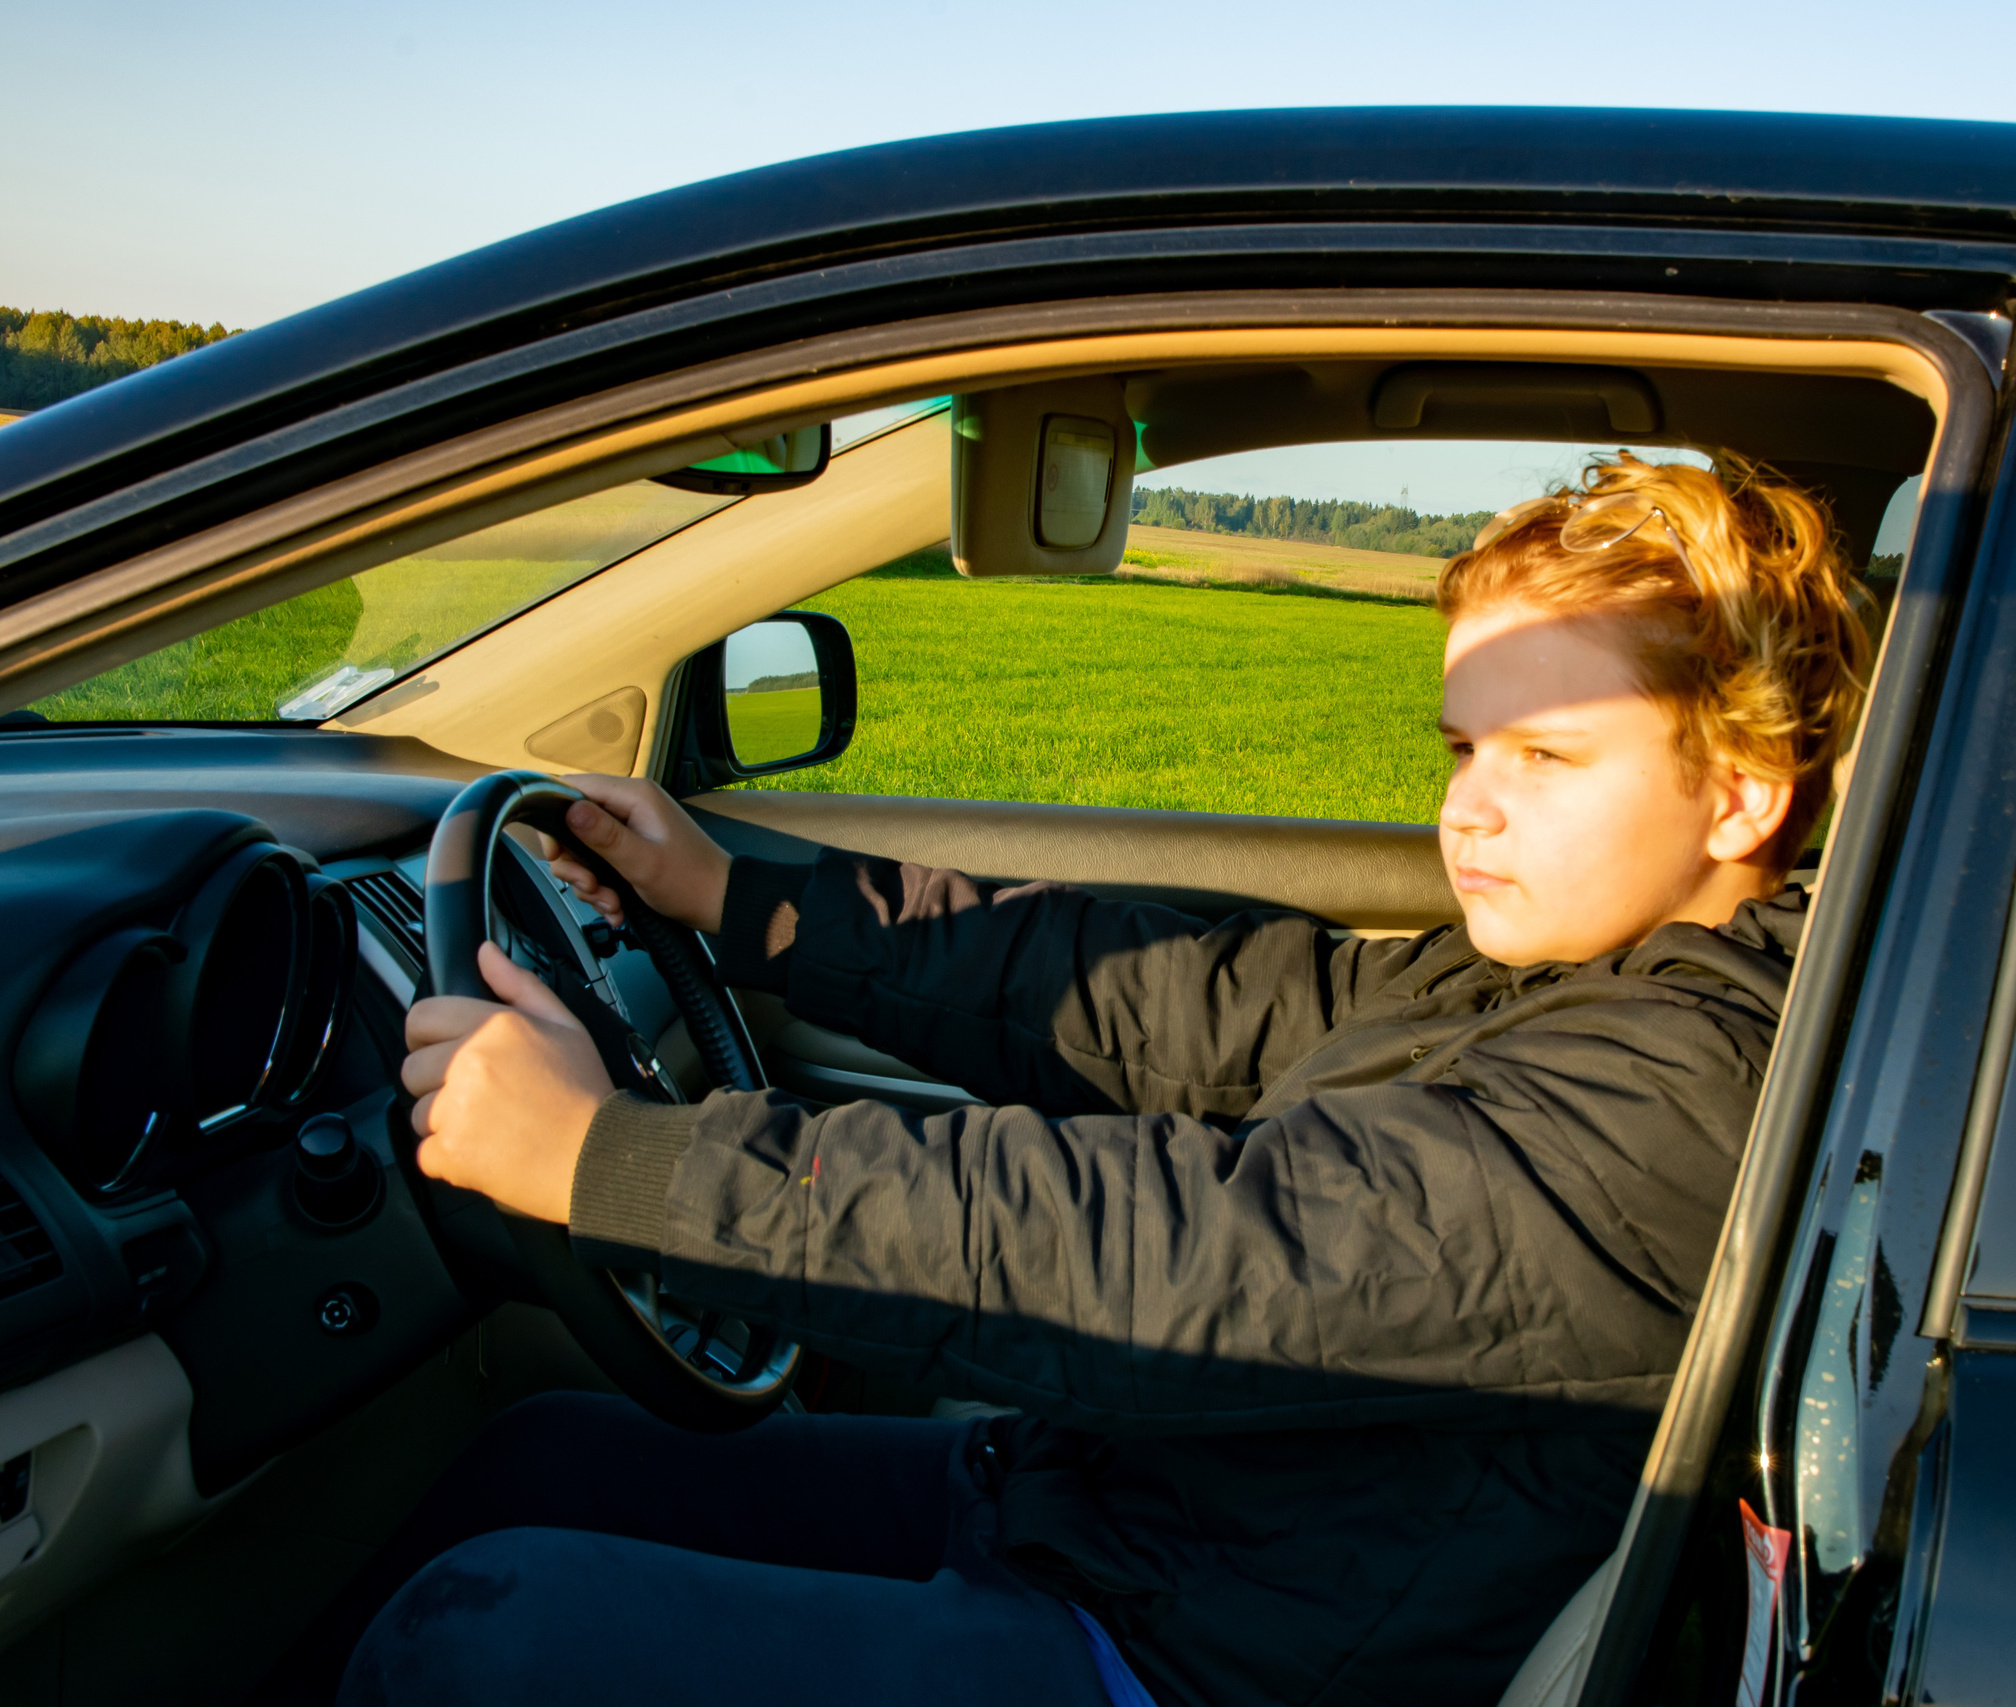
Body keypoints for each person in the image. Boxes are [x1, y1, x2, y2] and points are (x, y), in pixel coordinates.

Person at [302, 451, 1872, 1707]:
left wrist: (615, 1161)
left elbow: (1179, 1251)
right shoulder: (1564, 977)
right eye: (1463, 749)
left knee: (482, 1639)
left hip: (1191, 1654)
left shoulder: (1685, 1098)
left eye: (1544, 759)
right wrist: (748, 903)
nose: (1471, 811)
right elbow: (1185, 1003)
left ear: (1739, 793)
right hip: (1146, 1523)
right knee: (535, 1461)